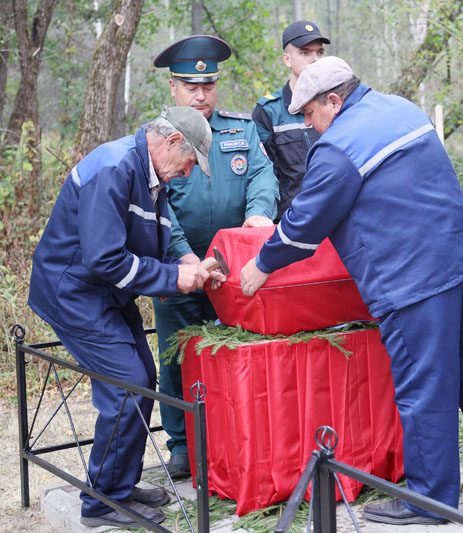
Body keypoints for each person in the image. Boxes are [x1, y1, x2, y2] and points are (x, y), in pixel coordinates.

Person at [240, 57, 463, 525]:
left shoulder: (340, 146)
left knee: (423, 386)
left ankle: (430, 499)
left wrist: (261, 264)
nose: (307, 125)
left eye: (309, 114)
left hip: (411, 280)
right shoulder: (403, 109)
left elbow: (306, 224)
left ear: (334, 99)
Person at [28, 107, 225, 527]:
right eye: (190, 162)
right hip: (75, 294)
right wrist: (175, 277)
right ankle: (102, 503)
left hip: (107, 294)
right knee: (127, 385)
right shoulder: (114, 167)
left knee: (143, 378)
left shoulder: (151, 172)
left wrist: (190, 261)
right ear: (172, 142)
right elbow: (103, 259)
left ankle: (119, 481)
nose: (188, 173)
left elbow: (160, 233)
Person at [152, 35, 279, 478]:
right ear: (173, 88)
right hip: (181, 273)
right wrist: (187, 258)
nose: (201, 94)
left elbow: (263, 176)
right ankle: (182, 444)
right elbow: (158, 209)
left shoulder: (241, 130)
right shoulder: (160, 140)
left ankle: (235, 436)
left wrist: (260, 215)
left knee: (239, 356)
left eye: (208, 85)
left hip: (235, 273)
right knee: (178, 356)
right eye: (191, 86)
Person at [252, 21, 329, 219]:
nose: (315, 60)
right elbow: (265, 175)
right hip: (291, 221)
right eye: (305, 53)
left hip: (335, 216)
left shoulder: (335, 105)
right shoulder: (269, 111)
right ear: (287, 59)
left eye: (319, 53)